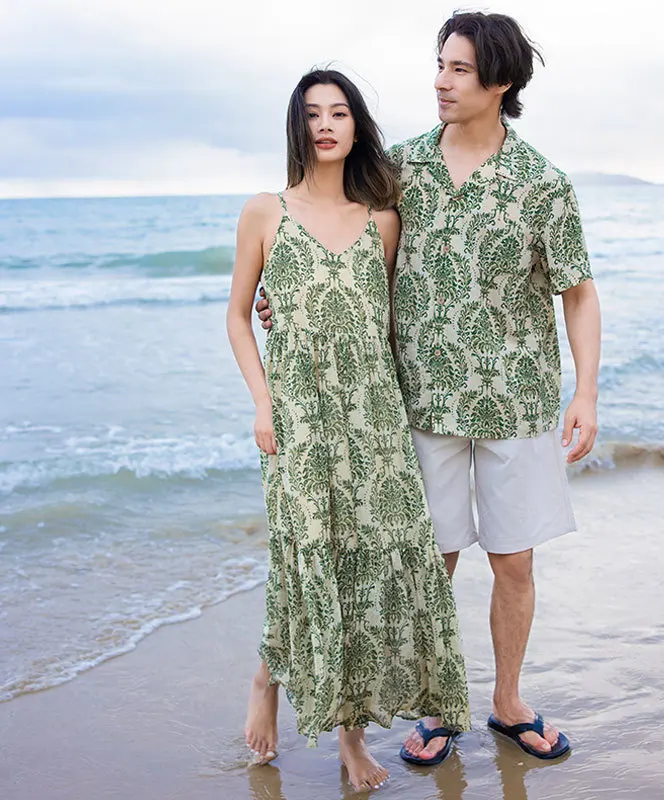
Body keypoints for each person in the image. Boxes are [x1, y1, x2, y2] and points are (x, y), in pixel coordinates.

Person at [258, 11, 601, 765]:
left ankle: (508, 702)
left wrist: (586, 393)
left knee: (514, 560)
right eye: (439, 64)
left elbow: (578, 291)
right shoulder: (400, 168)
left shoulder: (543, 183)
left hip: (516, 399)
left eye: (458, 70)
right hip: (416, 399)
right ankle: (442, 704)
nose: (440, 81)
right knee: (428, 558)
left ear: (499, 82)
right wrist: (284, 294)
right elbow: (334, 239)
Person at [227, 68, 471, 791]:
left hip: (375, 422)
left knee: (362, 572)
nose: (326, 124)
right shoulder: (263, 212)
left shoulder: (382, 219)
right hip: (298, 419)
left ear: (357, 126)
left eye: (339, 113)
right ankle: (267, 678)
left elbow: (383, 327)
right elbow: (239, 316)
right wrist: (263, 403)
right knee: (306, 562)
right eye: (312, 114)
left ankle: (349, 739)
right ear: (297, 128)